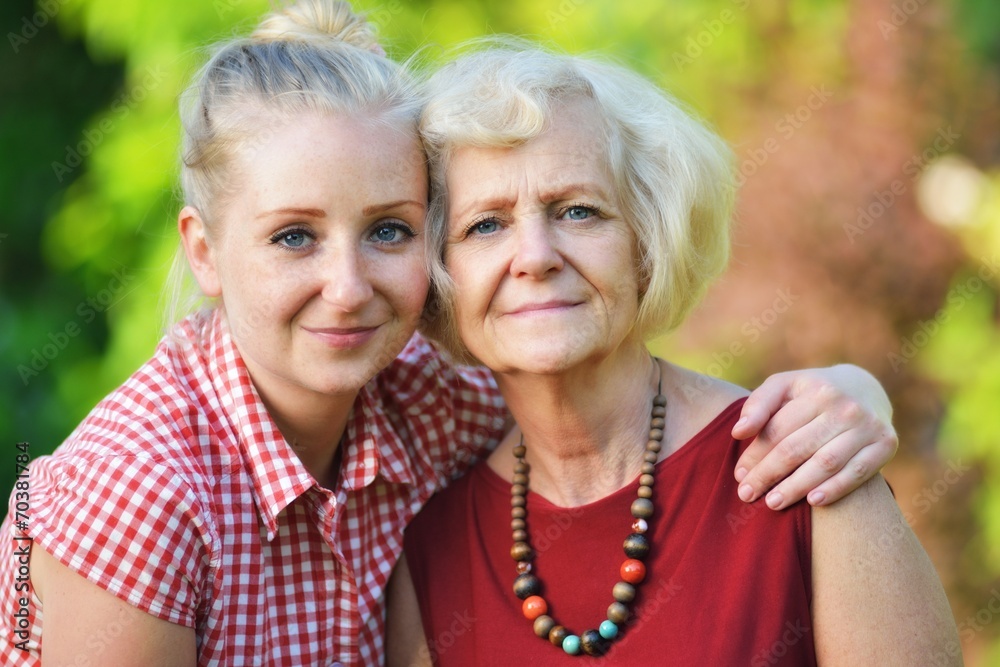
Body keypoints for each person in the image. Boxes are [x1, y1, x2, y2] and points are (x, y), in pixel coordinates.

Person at [1, 2, 899, 666]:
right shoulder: (141, 493)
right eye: (292, 237)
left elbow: (600, 396)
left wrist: (853, 392)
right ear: (204, 250)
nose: (347, 287)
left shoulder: (430, 397)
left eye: (388, 229)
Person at [388, 42, 961, 665]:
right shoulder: (430, 552)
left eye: (579, 211)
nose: (535, 255)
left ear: (648, 244)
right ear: (439, 276)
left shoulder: (805, 462)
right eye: (485, 225)